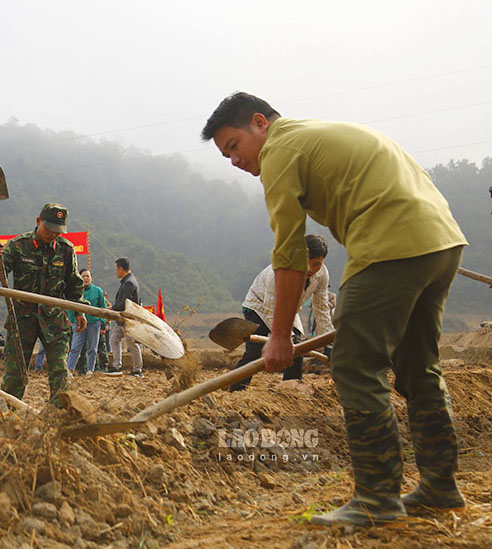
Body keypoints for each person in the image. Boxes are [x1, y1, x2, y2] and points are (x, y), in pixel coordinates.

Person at [202, 92, 468, 526]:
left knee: (356, 367)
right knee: (419, 366)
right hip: (441, 241)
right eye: (225, 154)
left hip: (391, 246)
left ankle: (376, 499)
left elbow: (287, 254)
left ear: (259, 123)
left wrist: (281, 336)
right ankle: (441, 485)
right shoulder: (314, 136)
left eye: (233, 146)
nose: (233, 160)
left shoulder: (280, 151)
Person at [0, 203, 87, 406]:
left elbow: (73, 284)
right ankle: (9, 415)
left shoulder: (66, 250)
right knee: (15, 373)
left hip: (55, 320)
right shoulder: (17, 246)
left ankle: (59, 415)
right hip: (22, 320)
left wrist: (79, 310)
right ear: (38, 221)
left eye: (58, 231)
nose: (53, 235)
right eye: (49, 229)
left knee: (59, 370)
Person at [229, 234, 333, 391]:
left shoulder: (322, 274)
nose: (311, 269)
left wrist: (329, 345)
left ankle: (291, 387)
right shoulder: (278, 273)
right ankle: (236, 390)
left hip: (289, 309)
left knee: (298, 346)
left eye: (316, 264)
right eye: (306, 263)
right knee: (254, 352)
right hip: (258, 307)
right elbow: (271, 310)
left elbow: (321, 308)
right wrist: (284, 338)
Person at [107, 258, 143, 377]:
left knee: (132, 344)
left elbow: (124, 303)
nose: (115, 271)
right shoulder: (129, 281)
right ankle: (117, 366)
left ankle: (137, 370)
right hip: (121, 319)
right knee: (114, 339)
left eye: (116, 269)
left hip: (128, 319)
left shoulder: (128, 283)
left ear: (121, 269)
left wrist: (112, 309)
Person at [67, 269, 107, 376]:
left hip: (94, 323)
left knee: (92, 348)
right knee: (75, 347)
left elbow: (103, 307)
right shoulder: (76, 291)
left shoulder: (98, 291)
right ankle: (70, 369)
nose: (85, 278)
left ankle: (90, 370)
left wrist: (101, 321)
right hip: (78, 323)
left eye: (87, 276)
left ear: (91, 278)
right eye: (83, 276)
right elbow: (70, 306)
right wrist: (72, 320)